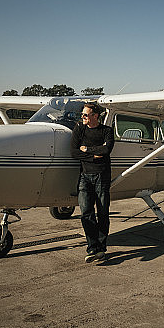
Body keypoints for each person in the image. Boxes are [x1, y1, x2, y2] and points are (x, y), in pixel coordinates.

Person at [70, 103, 114, 262]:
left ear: (96, 116)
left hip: (102, 176)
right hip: (85, 177)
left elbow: (106, 150)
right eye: (82, 115)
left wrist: (87, 149)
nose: (83, 117)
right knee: (86, 213)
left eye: (86, 115)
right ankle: (92, 247)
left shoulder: (107, 131)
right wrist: (92, 156)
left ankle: (101, 248)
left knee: (103, 213)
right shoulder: (79, 129)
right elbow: (73, 152)